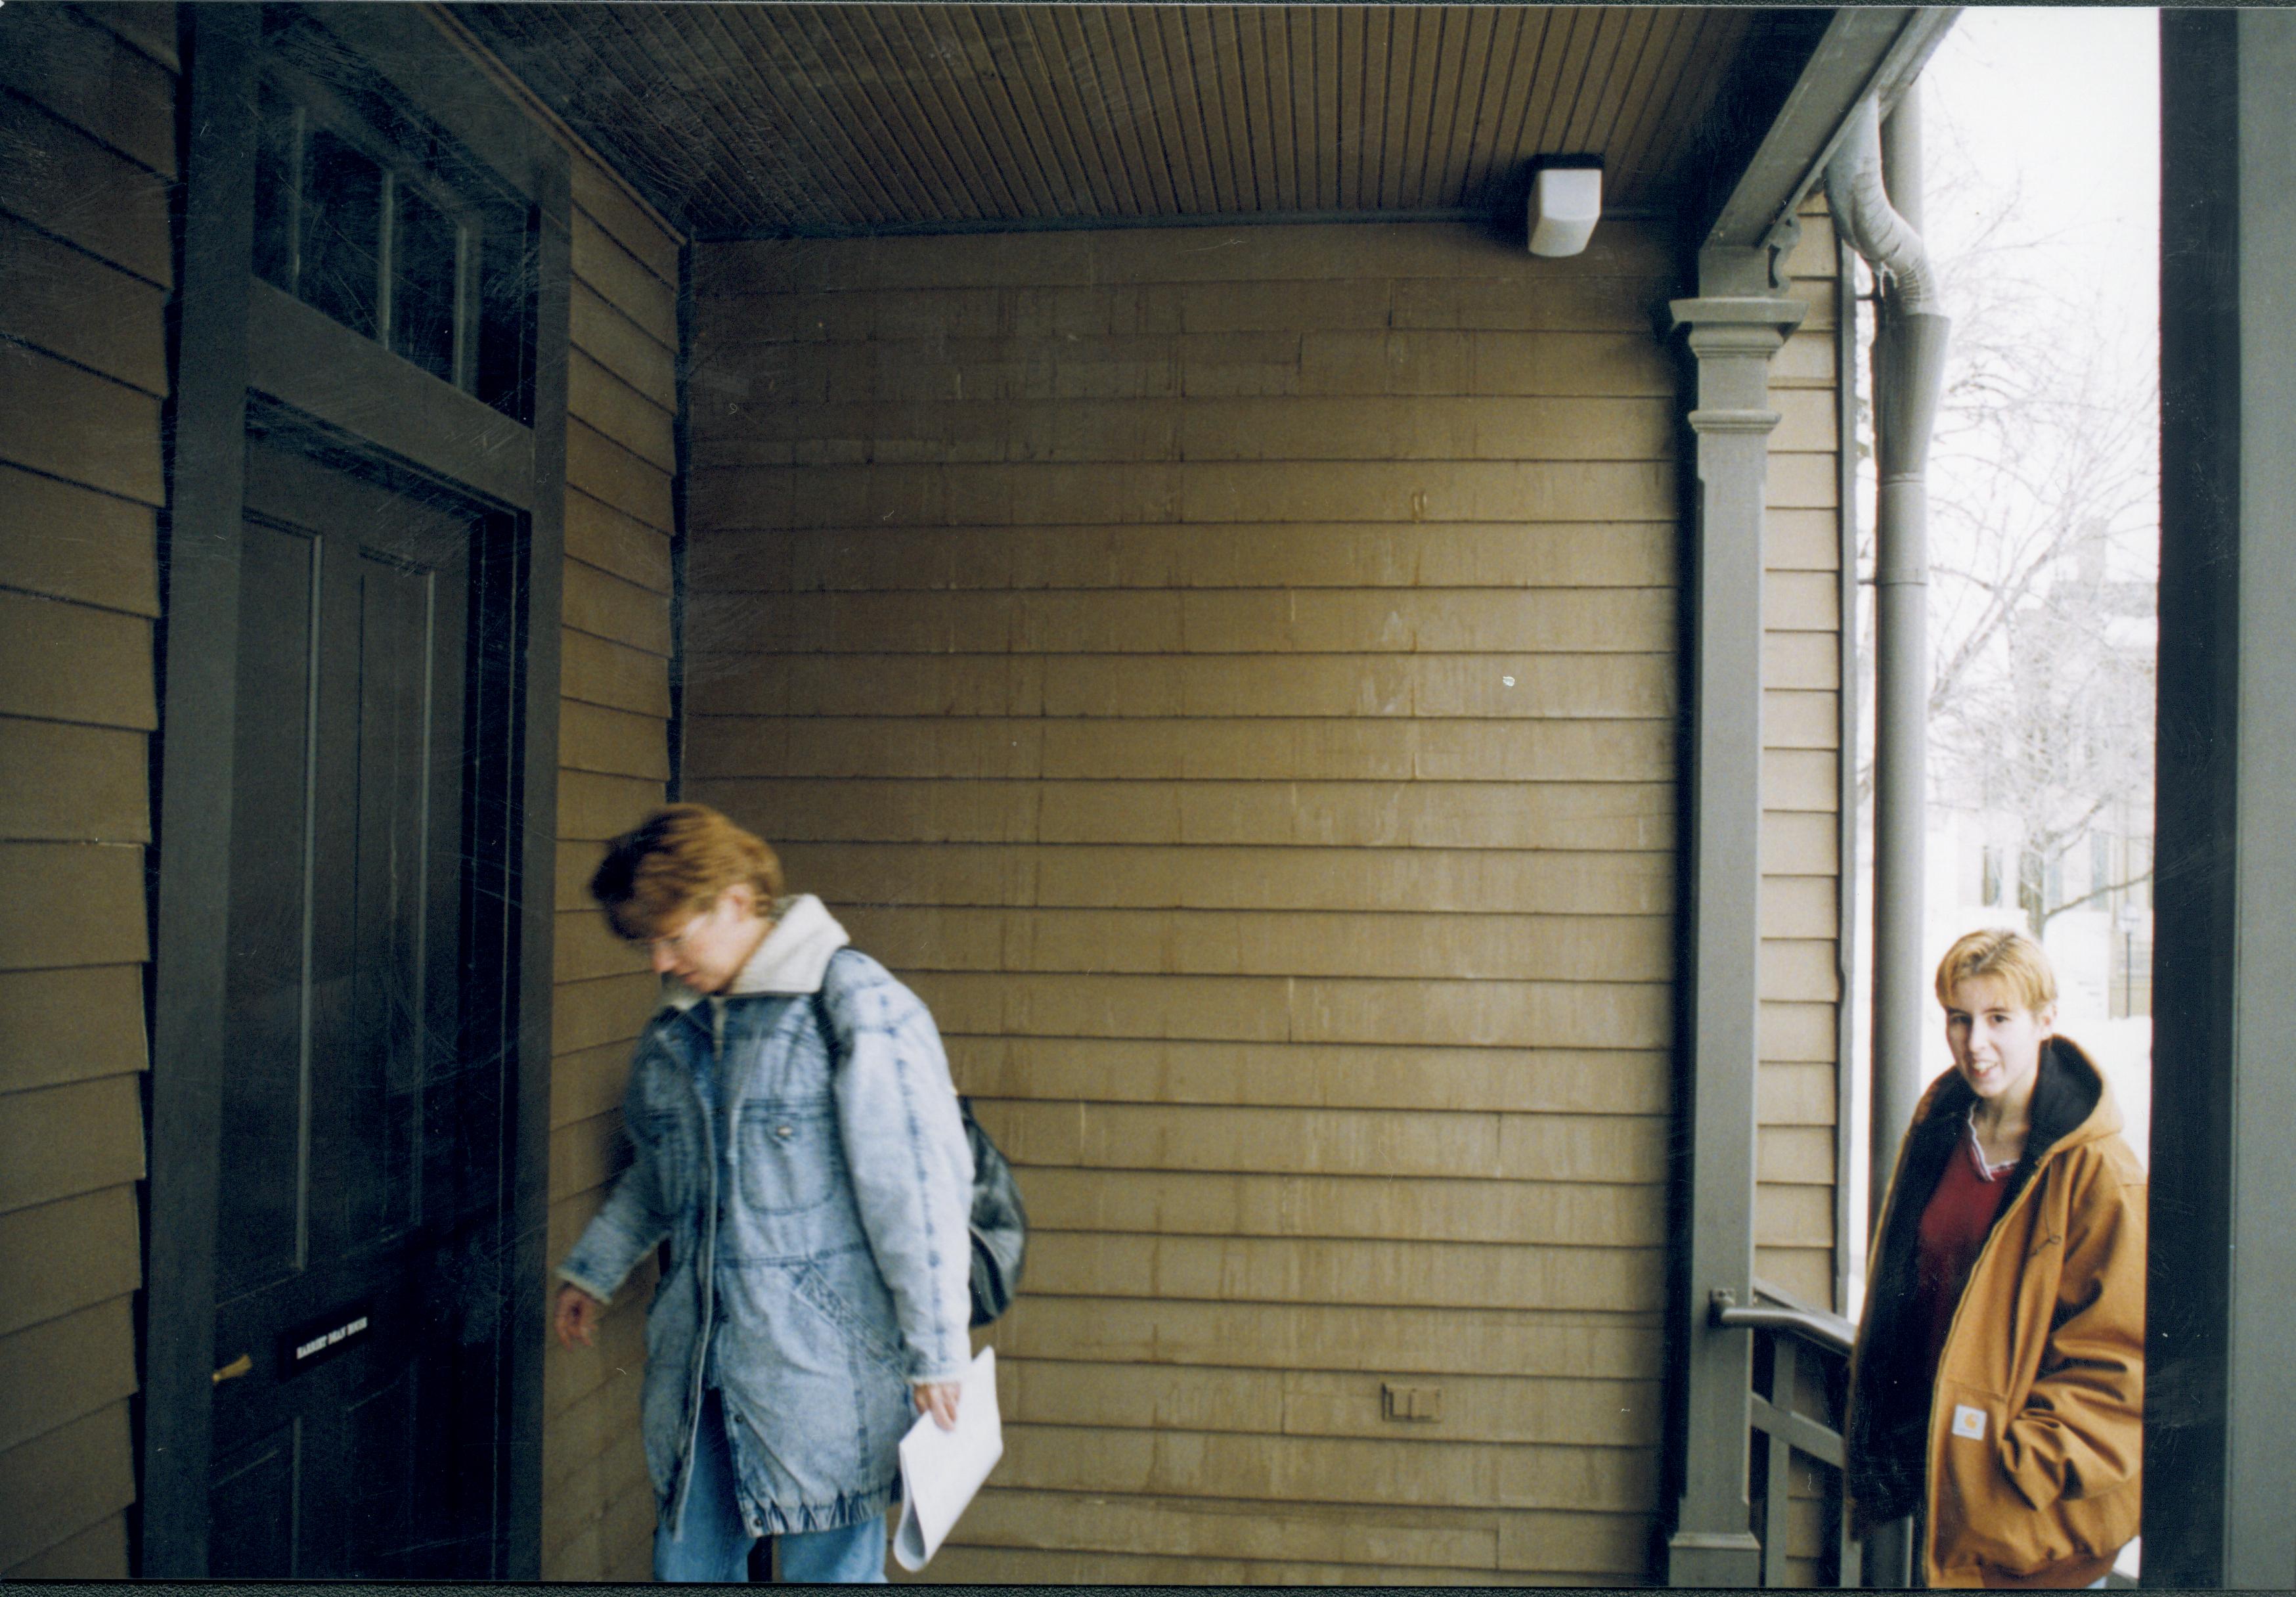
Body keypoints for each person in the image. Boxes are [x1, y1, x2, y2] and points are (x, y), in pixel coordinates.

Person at [552, 804, 975, 1585]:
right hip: (699, 1374)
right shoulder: (678, 1028)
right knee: (687, 1568)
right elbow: (661, 1171)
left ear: (739, 901)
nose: (659, 963)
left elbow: (916, 1194)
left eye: (674, 937)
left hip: (821, 1376)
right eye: (648, 943)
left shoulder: (851, 1007)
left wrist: (937, 1350)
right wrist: (595, 1268)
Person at [1845, 928, 2145, 1588]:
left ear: (2045, 1020)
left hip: (2032, 1524)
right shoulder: (1941, 1130)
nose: (1974, 1043)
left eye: (1998, 1019)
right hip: (1942, 1487)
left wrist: (2017, 1461)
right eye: (1959, 1018)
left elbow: (2119, 1358)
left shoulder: (2097, 1170)